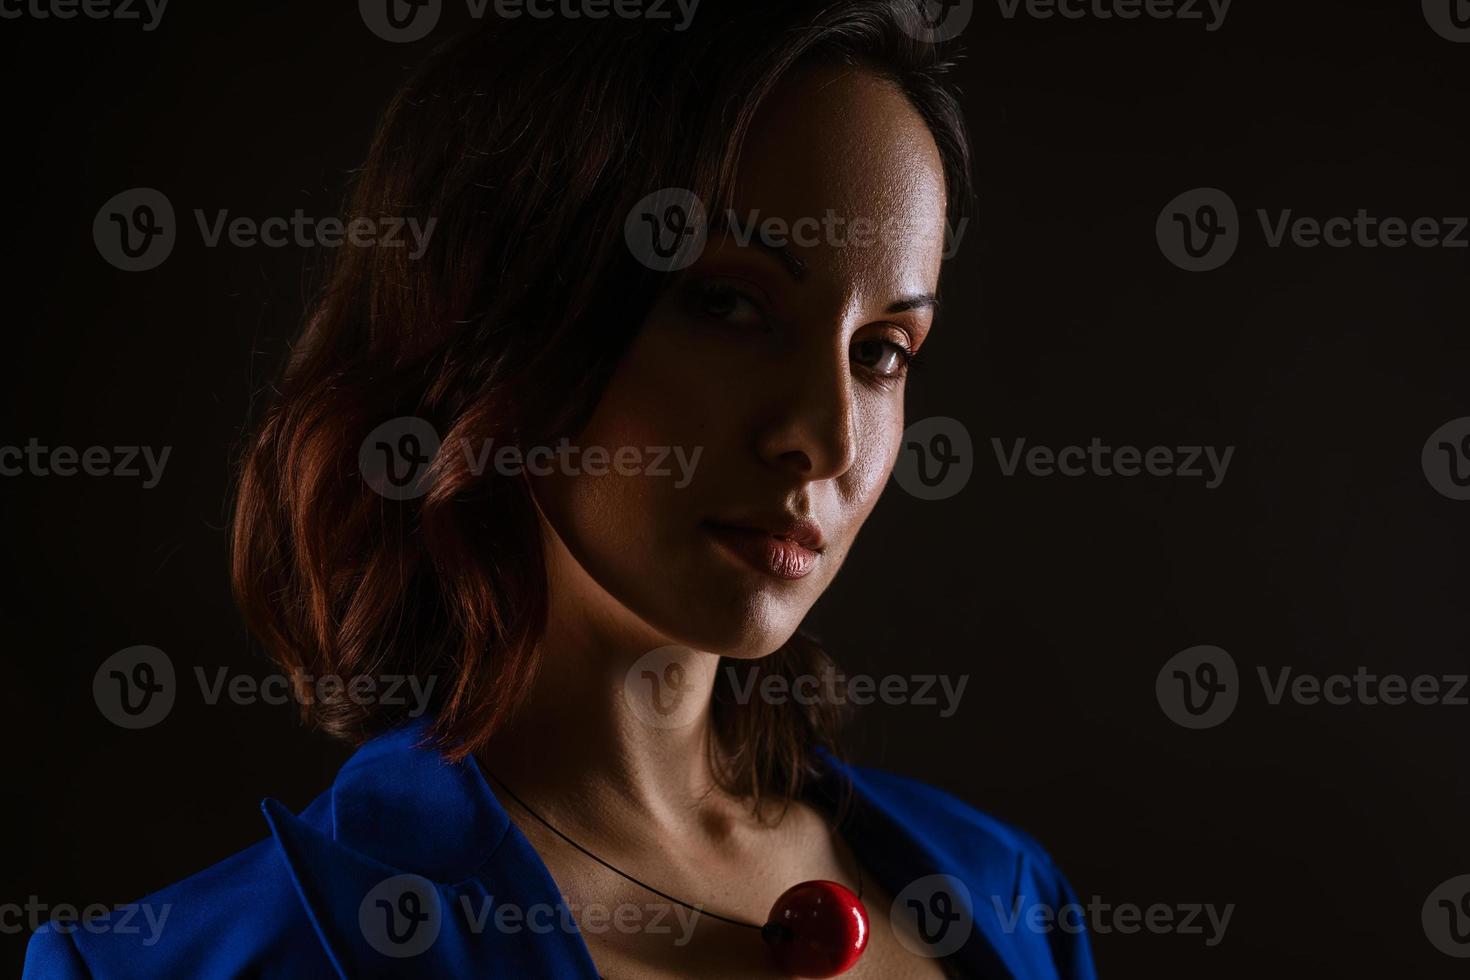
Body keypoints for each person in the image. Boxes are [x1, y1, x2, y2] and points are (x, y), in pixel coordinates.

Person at [26, 2, 1096, 976]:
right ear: (507, 316)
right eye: (728, 304)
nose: (821, 436)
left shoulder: (1010, 897)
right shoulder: (184, 964)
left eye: (882, 351)